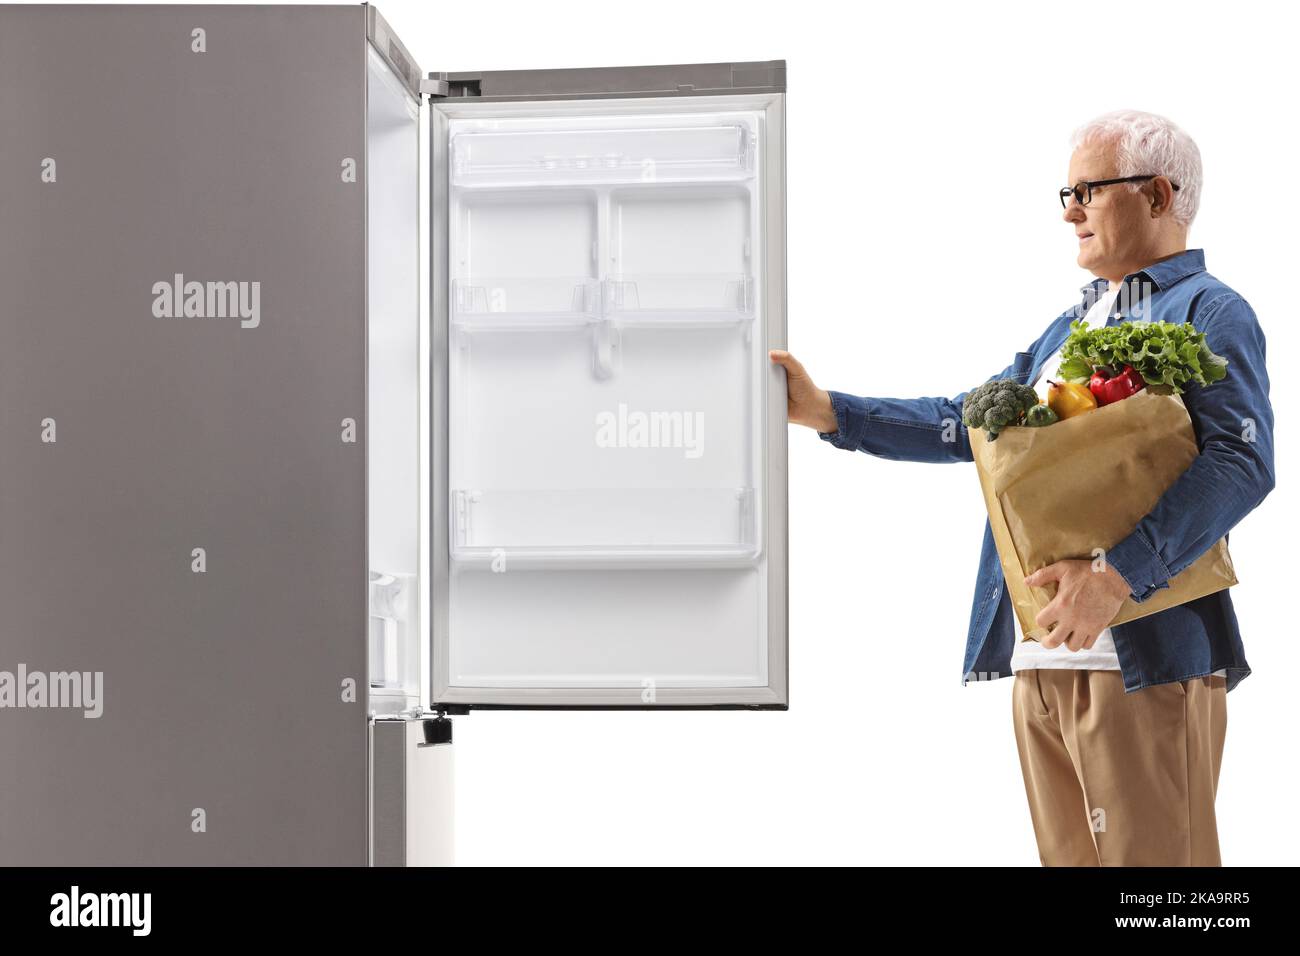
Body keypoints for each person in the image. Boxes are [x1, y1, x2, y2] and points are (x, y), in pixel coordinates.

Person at [772, 110, 1275, 866]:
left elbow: (1242, 461)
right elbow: (972, 423)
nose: (1070, 211)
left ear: (1158, 195)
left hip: (1144, 657)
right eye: (1066, 193)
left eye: (1088, 191)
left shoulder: (1210, 309)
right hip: (1044, 663)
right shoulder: (1070, 325)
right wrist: (831, 413)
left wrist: (1115, 577)